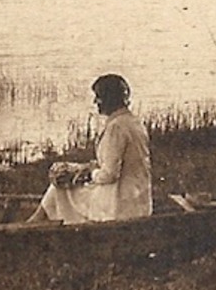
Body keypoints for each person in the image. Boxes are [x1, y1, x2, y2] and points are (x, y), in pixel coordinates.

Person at [27, 73, 151, 225]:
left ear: (108, 99)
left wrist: (88, 174)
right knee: (68, 187)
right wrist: (84, 168)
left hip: (118, 205)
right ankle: (34, 223)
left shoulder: (116, 128)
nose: (95, 101)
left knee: (59, 189)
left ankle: (31, 225)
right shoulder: (134, 122)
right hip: (139, 200)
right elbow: (118, 164)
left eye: (98, 97)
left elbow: (109, 175)